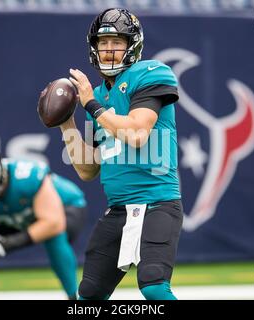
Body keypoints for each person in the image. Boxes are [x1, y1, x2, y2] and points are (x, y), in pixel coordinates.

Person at [58, 8, 183, 300]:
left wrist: (91, 106)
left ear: (132, 45)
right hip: (118, 209)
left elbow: (137, 134)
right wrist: (66, 123)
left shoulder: (150, 73)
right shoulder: (97, 96)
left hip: (158, 203)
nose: (109, 50)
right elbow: (88, 170)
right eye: (103, 43)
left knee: (153, 286)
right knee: (88, 295)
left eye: (117, 42)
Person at [0, 144, 87, 300]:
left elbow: (53, 223)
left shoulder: (26, 178)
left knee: (53, 237)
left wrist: (8, 243)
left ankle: (76, 297)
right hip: (19, 216)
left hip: (66, 207)